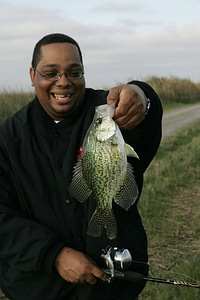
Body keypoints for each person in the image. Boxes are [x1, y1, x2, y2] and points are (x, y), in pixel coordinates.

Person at [0, 33, 162, 300]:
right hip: (39, 290)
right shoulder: (8, 139)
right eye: (50, 72)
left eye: (74, 72)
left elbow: (142, 119)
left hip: (111, 291)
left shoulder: (105, 112)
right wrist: (52, 255)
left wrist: (143, 98)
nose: (63, 82)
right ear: (32, 75)